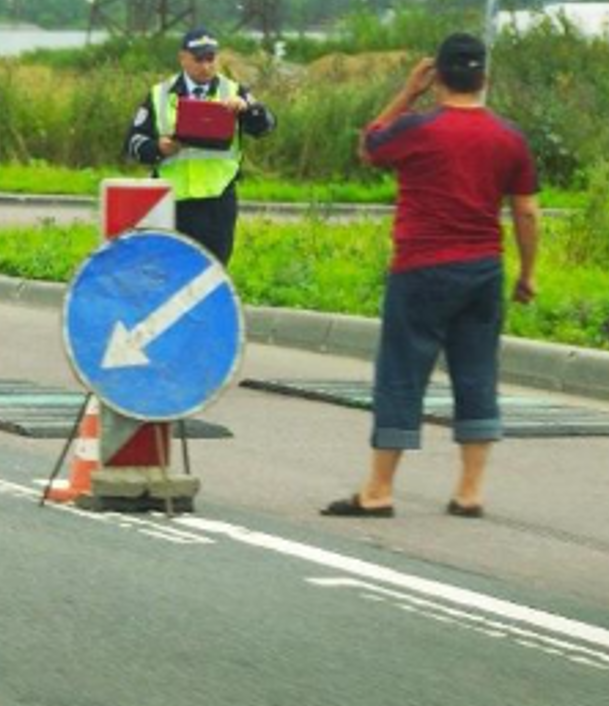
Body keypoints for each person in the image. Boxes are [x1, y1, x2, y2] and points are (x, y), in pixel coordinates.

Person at [321, 31, 540, 521]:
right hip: (483, 270)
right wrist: (527, 274)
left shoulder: (417, 129)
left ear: (437, 75)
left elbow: (368, 145)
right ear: (484, 77)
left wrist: (406, 93)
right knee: (478, 371)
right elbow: (526, 212)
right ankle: (469, 492)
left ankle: (378, 491)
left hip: (421, 268)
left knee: (402, 373)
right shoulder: (509, 137)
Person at [123, 27, 276, 265]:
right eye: (198, 59)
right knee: (168, 272)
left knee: (212, 275)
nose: (205, 66)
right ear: (182, 58)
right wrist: (158, 148)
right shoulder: (159, 94)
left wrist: (247, 109)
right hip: (171, 202)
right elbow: (133, 143)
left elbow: (266, 126)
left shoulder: (234, 91)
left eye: (210, 58)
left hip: (217, 203)